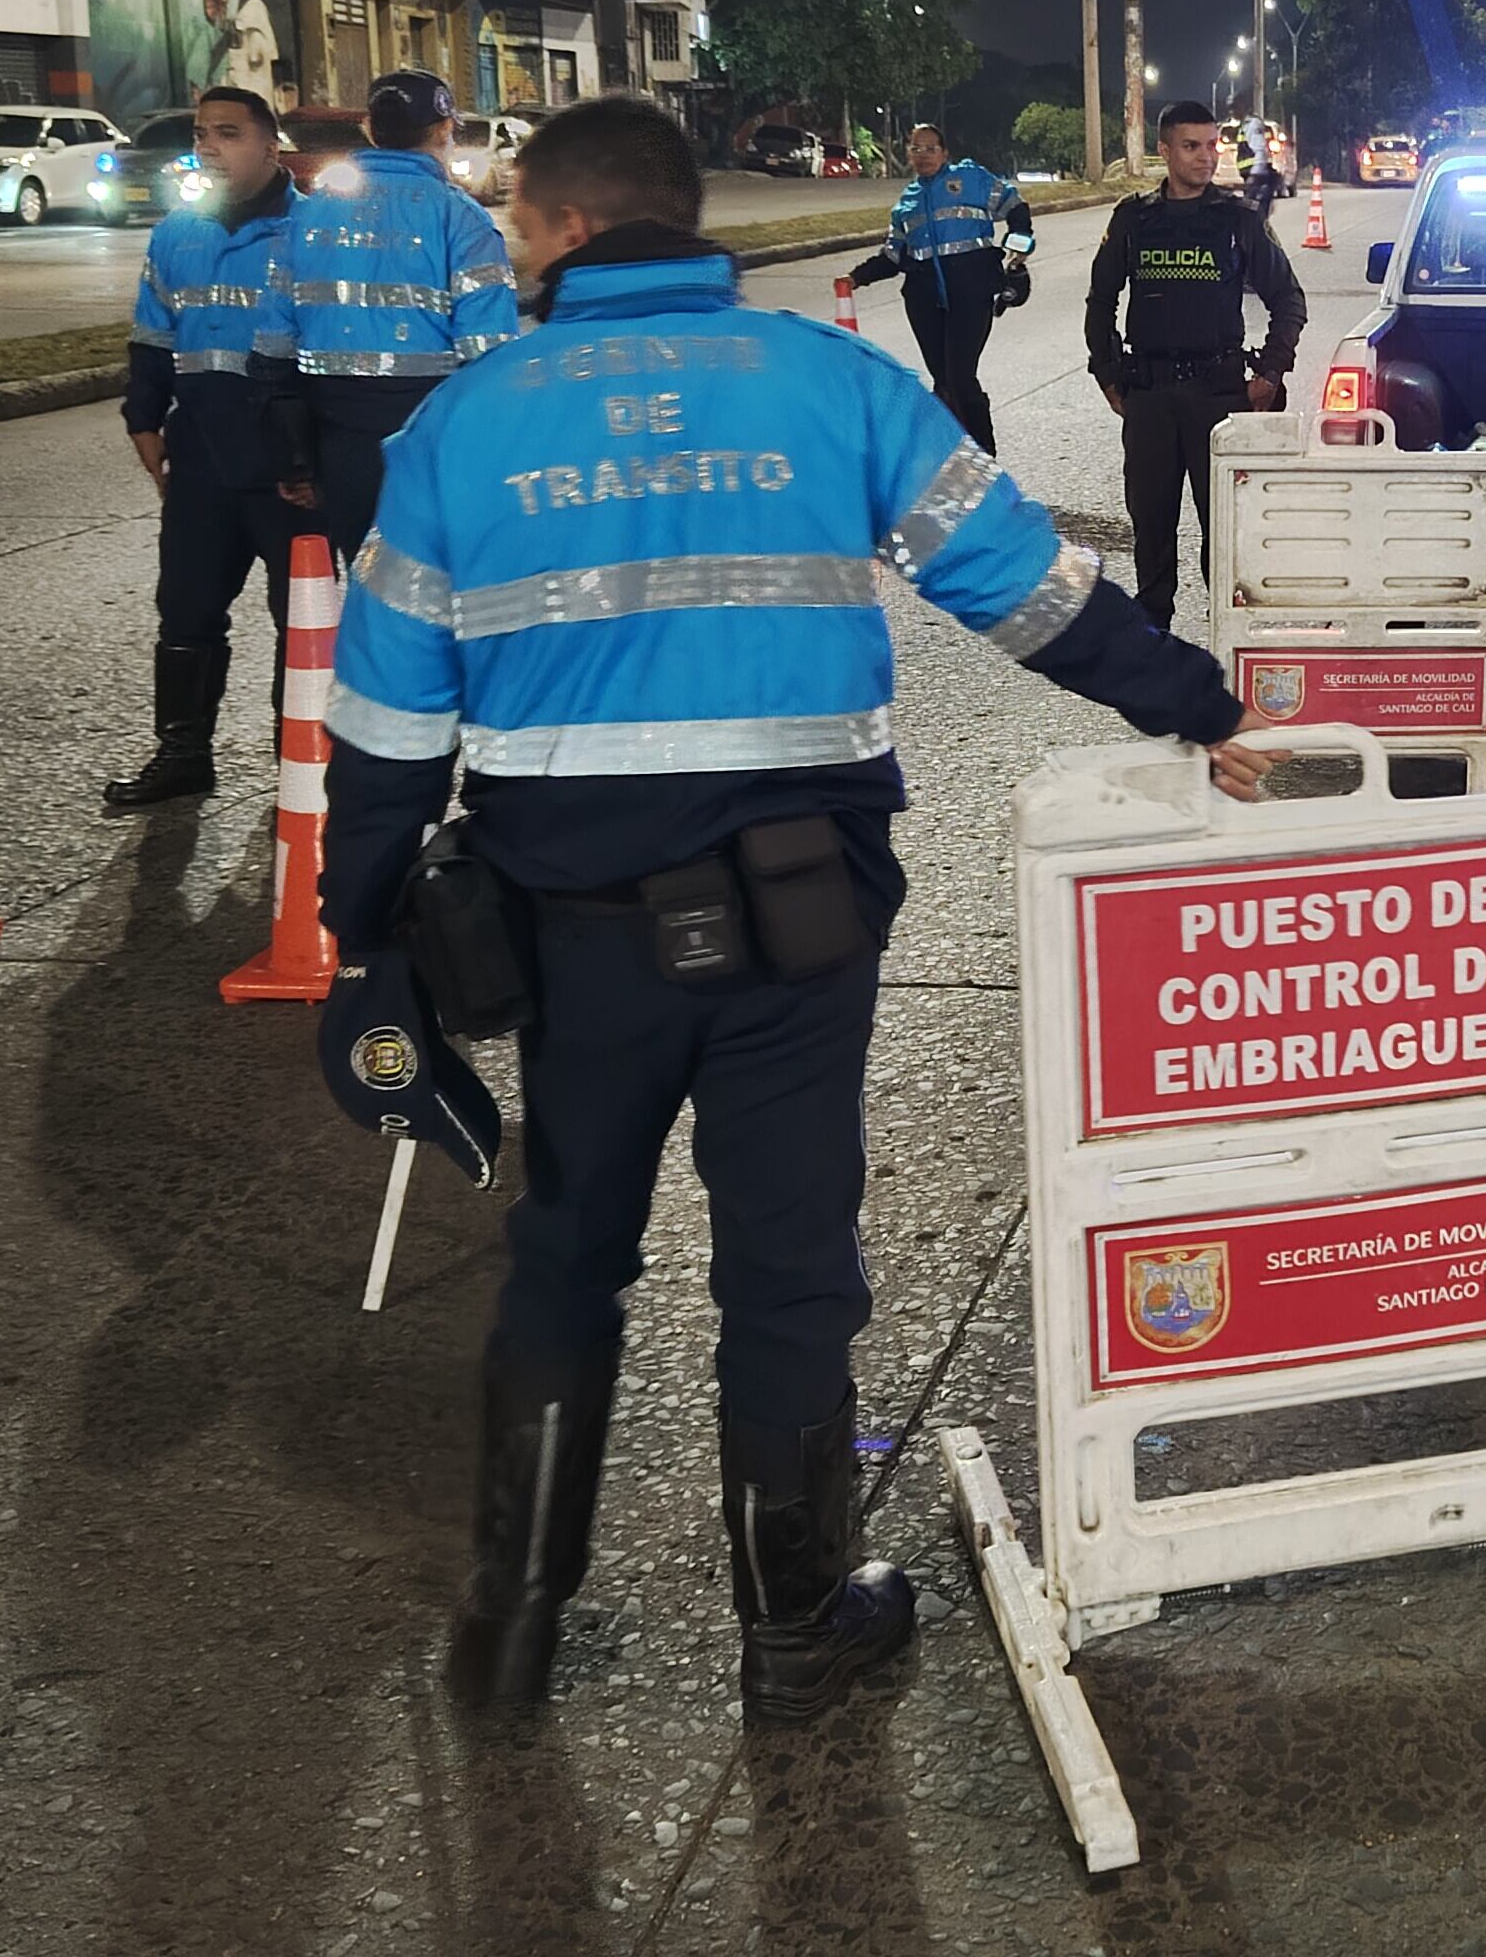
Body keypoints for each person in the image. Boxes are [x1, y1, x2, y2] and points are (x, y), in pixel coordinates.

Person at [316, 97, 1283, 1718]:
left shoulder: (460, 423)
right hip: (797, 918)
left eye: (517, 222)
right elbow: (1028, 589)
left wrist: (364, 942)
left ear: (565, 228)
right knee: (786, 1263)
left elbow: (385, 726)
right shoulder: (831, 382)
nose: (509, 245)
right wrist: (1199, 704)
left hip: (567, 927)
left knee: (567, 1249)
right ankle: (795, 1627)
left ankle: (511, 1625)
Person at [102, 85, 304, 812]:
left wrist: (316, 457)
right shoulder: (177, 233)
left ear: (270, 146)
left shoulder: (313, 232)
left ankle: (301, 766)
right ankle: (183, 754)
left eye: (228, 133)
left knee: (302, 619)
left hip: (288, 467)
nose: (209, 147)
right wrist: (143, 416)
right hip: (203, 459)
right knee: (186, 608)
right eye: (201, 134)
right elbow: (153, 335)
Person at [271, 66, 521, 554]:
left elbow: (272, 350)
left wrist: (295, 460)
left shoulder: (309, 212)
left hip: (337, 442)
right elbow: (489, 357)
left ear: (369, 128)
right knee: (436, 577)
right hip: (430, 440)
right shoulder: (461, 218)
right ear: (445, 130)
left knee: (365, 573)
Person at [1084, 98, 1307, 632]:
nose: (1207, 157)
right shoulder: (1134, 218)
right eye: (1191, 146)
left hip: (1219, 397)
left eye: (1212, 145)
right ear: (1164, 150)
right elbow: (1100, 300)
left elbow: (1288, 301)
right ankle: (1153, 646)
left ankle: (1226, 643)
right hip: (1151, 396)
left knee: (1225, 533)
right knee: (1151, 531)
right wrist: (1107, 372)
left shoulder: (1238, 219)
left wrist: (1270, 373)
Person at [844, 123, 1032, 454]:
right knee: (943, 381)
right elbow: (893, 257)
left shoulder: (970, 178)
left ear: (945, 153)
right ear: (908, 154)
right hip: (924, 300)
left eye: (931, 148)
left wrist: (1019, 242)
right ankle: (951, 455)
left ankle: (985, 455)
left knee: (960, 376)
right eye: (916, 149)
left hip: (971, 293)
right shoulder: (906, 204)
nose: (924, 155)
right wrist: (856, 278)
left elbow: (1015, 206)